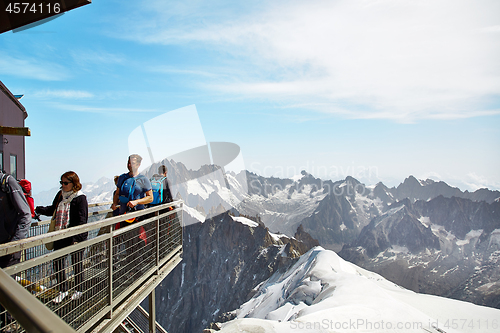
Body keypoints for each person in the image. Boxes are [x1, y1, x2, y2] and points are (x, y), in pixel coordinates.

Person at [35, 171, 88, 303]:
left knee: (77, 263)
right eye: (61, 183)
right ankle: (63, 290)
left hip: (74, 237)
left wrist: (76, 238)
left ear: (73, 184)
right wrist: (38, 209)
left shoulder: (80, 198)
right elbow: (52, 209)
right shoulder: (60, 195)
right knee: (58, 263)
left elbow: (82, 220)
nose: (63, 185)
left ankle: (79, 290)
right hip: (60, 234)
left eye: (65, 183)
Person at [0, 172, 31, 331]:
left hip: (9, 246)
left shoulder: (8, 183)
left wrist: (14, 243)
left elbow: (26, 214)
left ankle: (11, 322)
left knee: (8, 286)